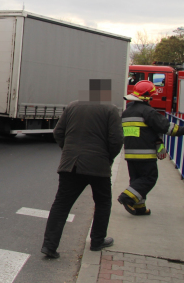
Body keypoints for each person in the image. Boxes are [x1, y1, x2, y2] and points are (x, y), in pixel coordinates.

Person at [42, 79, 124, 259]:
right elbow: (116, 140)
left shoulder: (72, 107)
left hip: (70, 165)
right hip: (98, 166)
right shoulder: (110, 110)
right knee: (103, 202)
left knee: (61, 205)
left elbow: (58, 133)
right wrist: (108, 158)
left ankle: (49, 246)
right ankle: (97, 241)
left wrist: (68, 150)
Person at [118, 80, 184, 215]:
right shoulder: (148, 111)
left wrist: (158, 141)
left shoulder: (127, 112)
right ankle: (127, 197)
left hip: (130, 154)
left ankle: (139, 207)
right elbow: (166, 127)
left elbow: (146, 130)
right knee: (149, 178)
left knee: (137, 180)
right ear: (147, 96)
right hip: (145, 154)